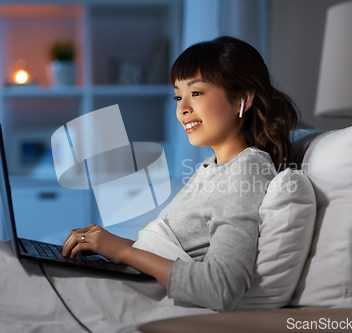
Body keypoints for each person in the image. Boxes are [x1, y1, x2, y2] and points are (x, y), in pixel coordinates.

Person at [62, 36, 299, 312]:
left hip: (142, 300)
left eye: (196, 93)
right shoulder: (214, 165)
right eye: (178, 95)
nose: (182, 109)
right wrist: (108, 245)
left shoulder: (245, 173)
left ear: (242, 100)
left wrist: (124, 252)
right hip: (134, 285)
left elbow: (220, 287)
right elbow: (178, 249)